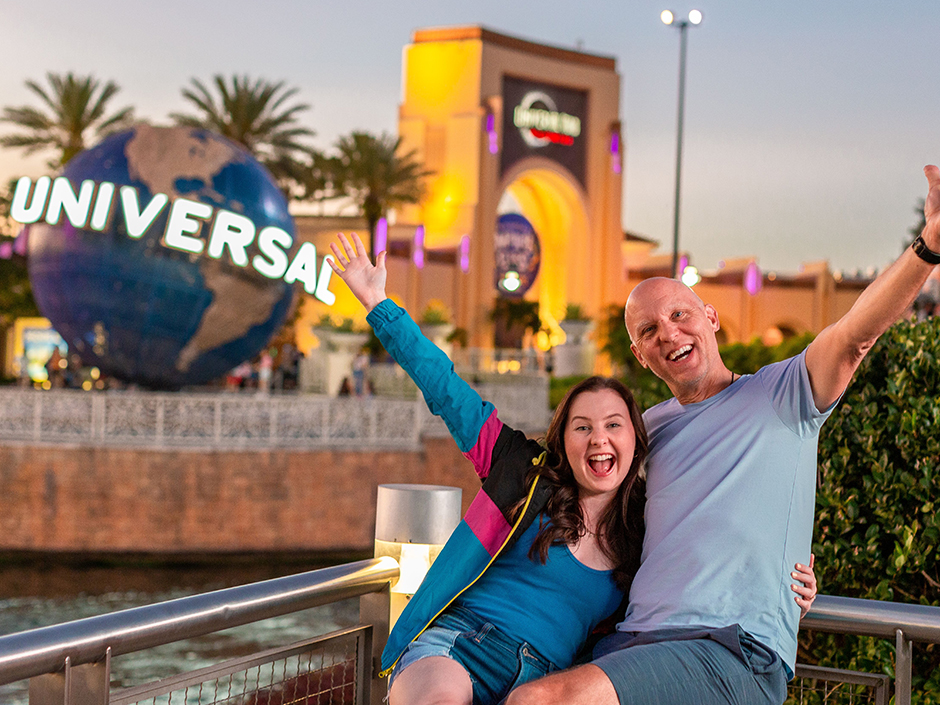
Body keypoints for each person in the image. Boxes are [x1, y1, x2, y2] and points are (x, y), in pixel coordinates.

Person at [505, 166, 940, 705]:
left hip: (729, 651)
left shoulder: (785, 392)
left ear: (711, 318)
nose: (669, 332)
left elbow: (855, 335)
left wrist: (927, 248)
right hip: (632, 642)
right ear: (640, 355)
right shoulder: (644, 433)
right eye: (649, 330)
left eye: (680, 314)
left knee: (540, 701)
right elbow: (592, 515)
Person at [328, 233, 817, 705]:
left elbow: (715, 536)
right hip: (460, 647)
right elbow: (445, 390)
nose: (599, 439)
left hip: (544, 679)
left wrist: (778, 581)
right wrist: (378, 304)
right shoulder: (522, 473)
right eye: (582, 427)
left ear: (635, 441)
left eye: (613, 426)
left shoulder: (639, 534)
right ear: (563, 437)